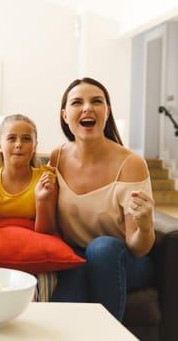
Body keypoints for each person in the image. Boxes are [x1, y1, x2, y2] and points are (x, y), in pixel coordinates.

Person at [49, 77, 155, 321]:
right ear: (65, 115)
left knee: (101, 248)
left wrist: (146, 225)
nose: (87, 107)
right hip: (77, 256)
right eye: (77, 102)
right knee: (74, 274)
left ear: (107, 112)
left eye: (96, 101)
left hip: (124, 259)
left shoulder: (131, 164)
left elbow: (139, 247)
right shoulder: (57, 157)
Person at [0, 113, 57, 234]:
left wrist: (42, 200)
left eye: (26, 139)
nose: (19, 144)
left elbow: (47, 231)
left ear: (34, 146)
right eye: (12, 138)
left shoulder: (46, 179)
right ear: (0, 146)